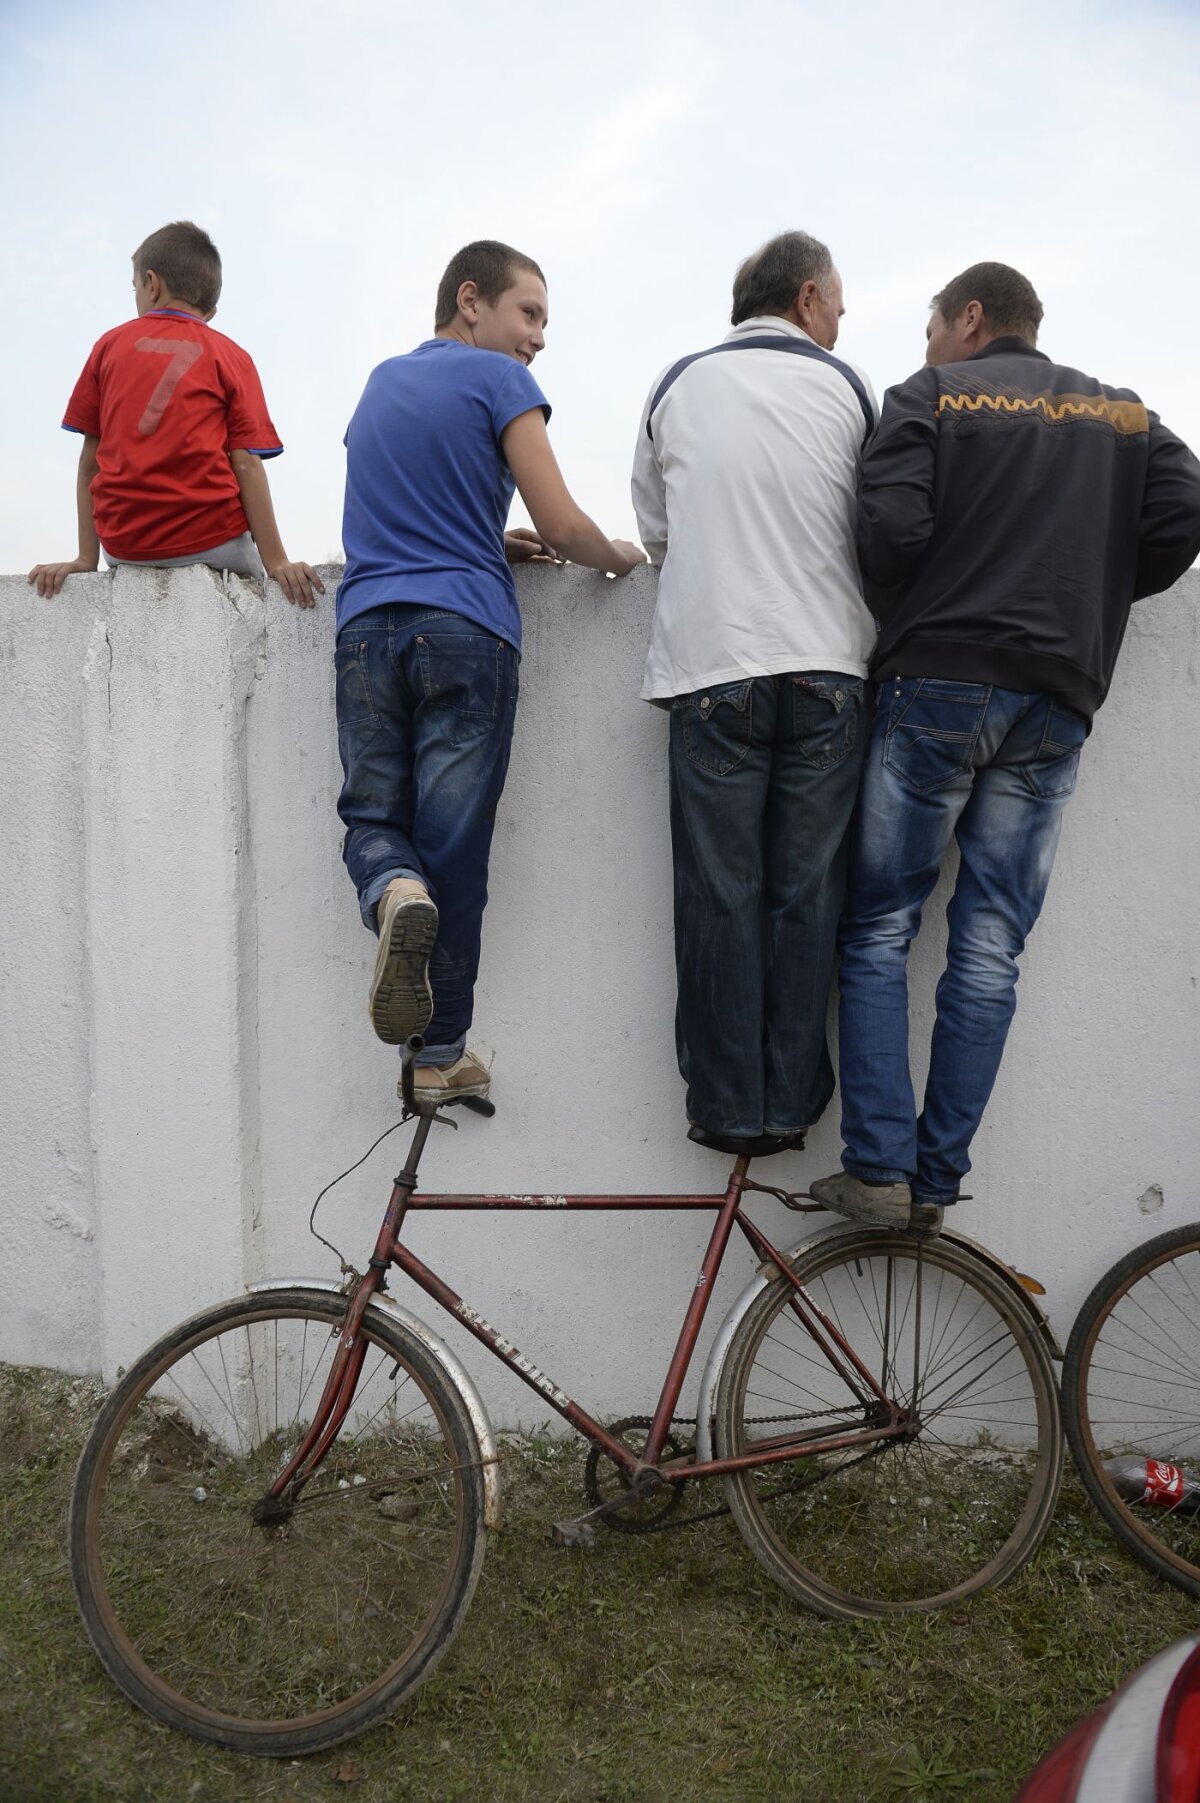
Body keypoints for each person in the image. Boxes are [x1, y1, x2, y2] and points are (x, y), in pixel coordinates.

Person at [811, 262, 1200, 1233]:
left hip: (938, 679)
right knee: (990, 945)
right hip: (1056, 698)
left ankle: (879, 1172)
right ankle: (937, 1183)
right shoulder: (1120, 413)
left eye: (931, 323)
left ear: (970, 316)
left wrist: (937, 603)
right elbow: (1186, 510)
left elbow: (889, 528)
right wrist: (1092, 592)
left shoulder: (931, 395)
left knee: (879, 927)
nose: (927, 342)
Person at [337, 239, 644, 1105]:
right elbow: (560, 517)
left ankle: (390, 890)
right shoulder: (501, 382)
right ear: (470, 301)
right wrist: (613, 555)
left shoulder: (377, 385)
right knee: (455, 848)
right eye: (529, 313)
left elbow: (405, 511)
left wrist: (484, 532)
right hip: (466, 631)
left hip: (366, 627)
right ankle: (438, 1053)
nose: (538, 338)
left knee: (373, 817)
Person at [631, 230, 878, 1156]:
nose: (842, 324)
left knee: (717, 893)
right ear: (809, 297)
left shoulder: (677, 383)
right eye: (841, 308)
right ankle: (793, 1100)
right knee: (808, 893)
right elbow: (875, 518)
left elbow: (658, 529)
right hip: (827, 665)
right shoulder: (848, 388)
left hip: (713, 666)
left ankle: (730, 1108)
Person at [28, 220, 322, 607]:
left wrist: (87, 557)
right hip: (211, 542)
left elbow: (89, 463)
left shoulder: (107, 346)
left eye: (134, 288)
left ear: (151, 283)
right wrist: (277, 561)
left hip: (124, 547)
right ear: (211, 311)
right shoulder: (232, 355)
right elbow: (246, 464)